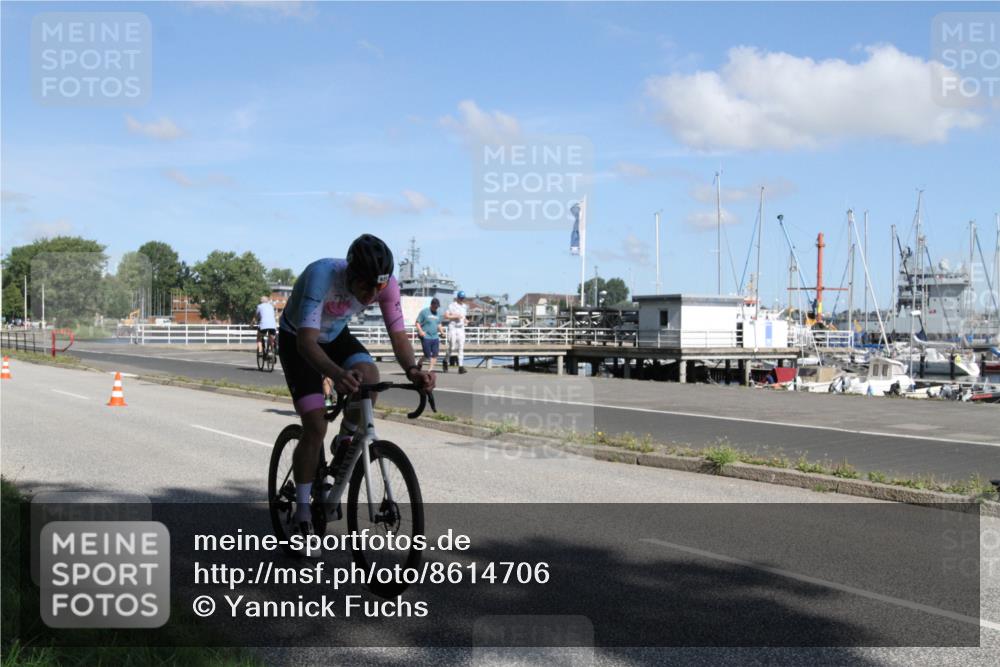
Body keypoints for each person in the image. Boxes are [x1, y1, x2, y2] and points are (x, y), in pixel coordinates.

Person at [277, 234, 435, 536]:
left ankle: (346, 439)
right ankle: (303, 513)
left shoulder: (385, 286)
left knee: (370, 379)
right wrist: (336, 374)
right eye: (365, 287)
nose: (370, 296)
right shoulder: (321, 275)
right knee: (315, 426)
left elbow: (398, 336)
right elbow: (307, 343)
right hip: (298, 338)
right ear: (350, 274)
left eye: (377, 289)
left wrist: (414, 370)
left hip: (335, 336)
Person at [415, 298, 445, 372]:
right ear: (431, 305)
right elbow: (417, 322)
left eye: (437, 306)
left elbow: (439, 324)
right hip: (426, 336)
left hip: (435, 337)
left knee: (435, 354)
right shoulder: (424, 312)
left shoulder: (438, 314)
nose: (436, 308)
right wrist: (420, 331)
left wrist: (442, 332)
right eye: (435, 306)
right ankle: (419, 362)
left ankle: (430, 370)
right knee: (427, 355)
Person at [443, 290, 468, 374]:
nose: (461, 300)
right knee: (452, 347)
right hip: (453, 327)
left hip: (461, 328)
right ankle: (445, 361)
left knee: (461, 347)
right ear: (457, 298)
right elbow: (446, 316)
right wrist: (455, 316)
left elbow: (463, 317)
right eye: (460, 298)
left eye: (463, 298)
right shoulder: (452, 305)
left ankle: (460, 367)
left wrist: (465, 320)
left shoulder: (464, 306)